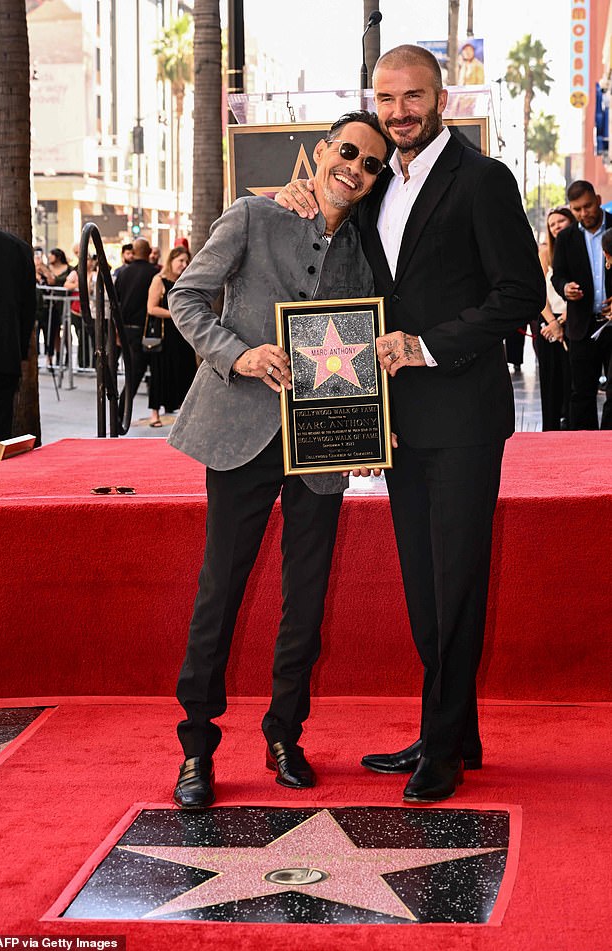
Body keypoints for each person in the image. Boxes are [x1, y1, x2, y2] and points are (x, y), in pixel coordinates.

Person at [278, 45, 545, 803]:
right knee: (424, 589)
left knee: (456, 581)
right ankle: (451, 729)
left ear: (442, 98)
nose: (399, 111)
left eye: (413, 97)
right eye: (386, 98)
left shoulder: (483, 180)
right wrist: (297, 204)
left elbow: (519, 293)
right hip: (397, 424)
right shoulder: (373, 191)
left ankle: (445, 747)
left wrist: (427, 348)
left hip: (463, 414)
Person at [167, 110, 389, 809]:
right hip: (239, 431)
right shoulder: (253, 217)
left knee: (307, 595)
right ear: (321, 152)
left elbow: (370, 338)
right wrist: (240, 353)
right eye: (347, 151)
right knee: (219, 589)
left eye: (371, 163)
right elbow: (186, 297)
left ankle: (285, 733)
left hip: (320, 442)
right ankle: (197, 748)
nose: (355, 166)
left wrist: (369, 431)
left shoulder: (367, 246)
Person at [0, 182, 36, 466]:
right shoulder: (17, 249)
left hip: (1, 356)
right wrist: (20, 350)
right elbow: (29, 307)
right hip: (2, 358)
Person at [551, 180, 612, 429]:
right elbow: (558, 275)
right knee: (582, 392)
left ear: (597, 200)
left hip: (611, 324)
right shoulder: (566, 237)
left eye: (587, 206)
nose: (583, 214)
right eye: (577, 209)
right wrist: (566, 288)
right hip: (581, 326)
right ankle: (582, 449)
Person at [145, 246, 196, 427]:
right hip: (165, 335)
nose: (184, 264)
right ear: (171, 261)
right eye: (180, 260)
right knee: (161, 373)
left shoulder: (186, 281)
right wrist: (174, 315)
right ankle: (154, 414)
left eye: (186, 261)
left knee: (185, 372)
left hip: (184, 335)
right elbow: (151, 308)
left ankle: (183, 412)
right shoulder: (159, 280)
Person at [537, 207, 575, 430]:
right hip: (549, 324)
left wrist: (563, 322)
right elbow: (538, 291)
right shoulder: (545, 253)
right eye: (552, 224)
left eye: (561, 221)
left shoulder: (579, 249)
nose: (557, 226)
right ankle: (549, 431)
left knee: (572, 383)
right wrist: (553, 322)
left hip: (575, 321)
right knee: (550, 385)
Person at [114, 237, 160, 414]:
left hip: (126, 328)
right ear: (149, 252)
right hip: (146, 330)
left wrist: (117, 330)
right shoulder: (154, 273)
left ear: (133, 252)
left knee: (133, 370)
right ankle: (121, 412)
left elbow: (115, 303)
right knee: (138, 372)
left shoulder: (123, 273)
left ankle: (121, 412)